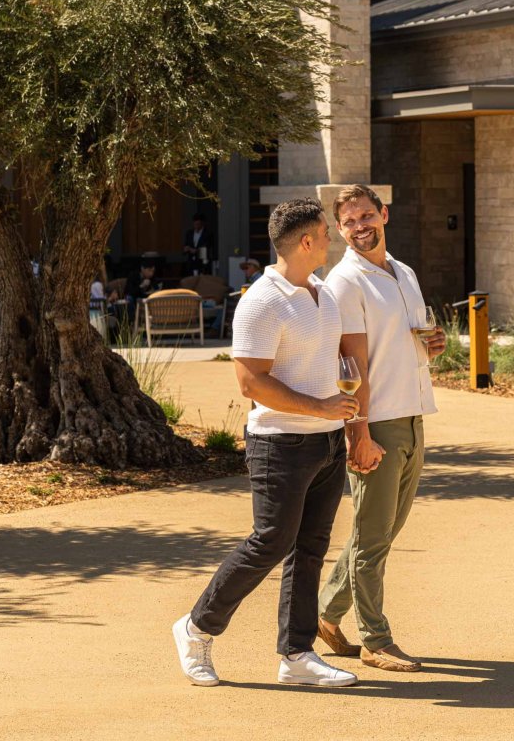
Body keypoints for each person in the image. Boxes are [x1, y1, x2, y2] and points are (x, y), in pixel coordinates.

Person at [172, 198, 360, 688]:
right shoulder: (262, 300)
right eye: (326, 232)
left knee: (311, 549)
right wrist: (319, 407)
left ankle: (296, 655)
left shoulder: (323, 293)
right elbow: (250, 382)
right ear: (306, 241)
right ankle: (195, 629)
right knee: (269, 542)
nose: (331, 239)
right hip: (280, 444)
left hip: (326, 443)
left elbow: (331, 360)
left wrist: (338, 407)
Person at [317, 184, 446, 673]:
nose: (359, 227)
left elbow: (408, 342)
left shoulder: (404, 272)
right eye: (349, 222)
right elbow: (351, 366)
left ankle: (326, 615)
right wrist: (359, 434)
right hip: (379, 421)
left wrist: (432, 345)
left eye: (366, 216)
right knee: (372, 540)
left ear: (384, 214)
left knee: (382, 531)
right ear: (339, 230)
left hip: (413, 415)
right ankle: (375, 639)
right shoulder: (344, 283)